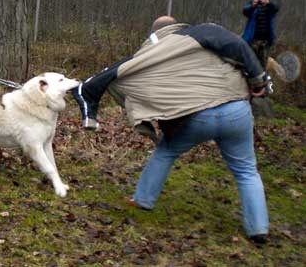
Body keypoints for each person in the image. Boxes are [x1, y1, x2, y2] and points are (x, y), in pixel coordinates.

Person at [72, 17, 271, 243]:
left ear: (155, 34)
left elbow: (123, 76)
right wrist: (258, 80)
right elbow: (236, 46)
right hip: (236, 110)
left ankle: (143, 200)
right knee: (246, 170)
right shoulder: (201, 36)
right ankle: (258, 230)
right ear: (177, 26)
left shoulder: (152, 54)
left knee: (166, 152)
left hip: (198, 117)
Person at [242, 0, 279, 69]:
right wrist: (252, 6)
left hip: (265, 41)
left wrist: (268, 4)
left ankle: (261, 81)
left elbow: (276, 8)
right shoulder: (252, 3)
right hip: (252, 40)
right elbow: (245, 11)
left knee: (263, 65)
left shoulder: (270, 5)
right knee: (250, 63)